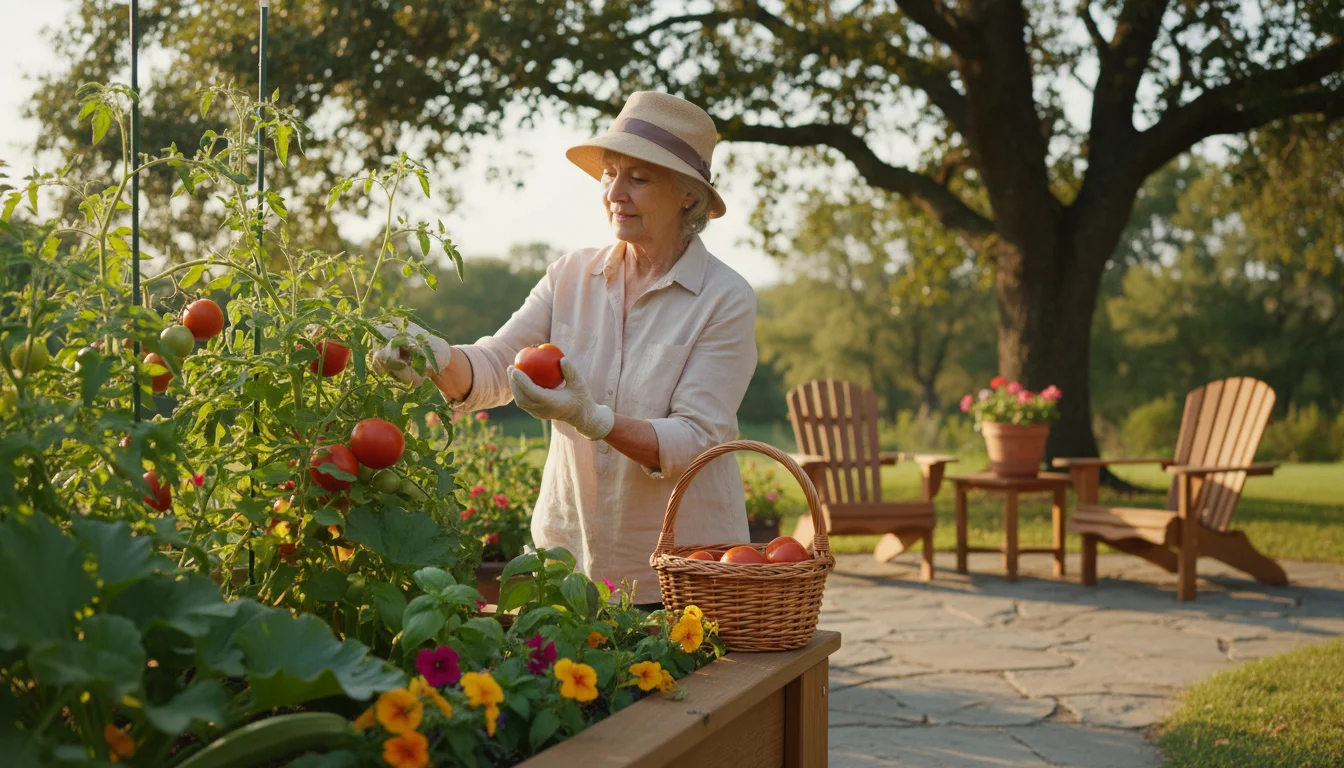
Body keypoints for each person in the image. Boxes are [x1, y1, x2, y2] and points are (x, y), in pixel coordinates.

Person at [372, 92, 757, 606]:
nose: (614, 193)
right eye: (609, 174)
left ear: (688, 196)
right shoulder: (571, 275)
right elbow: (495, 366)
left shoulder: (724, 298)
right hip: (566, 563)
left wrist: (591, 418)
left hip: (682, 572)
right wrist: (437, 356)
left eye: (637, 179)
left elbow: (695, 438)